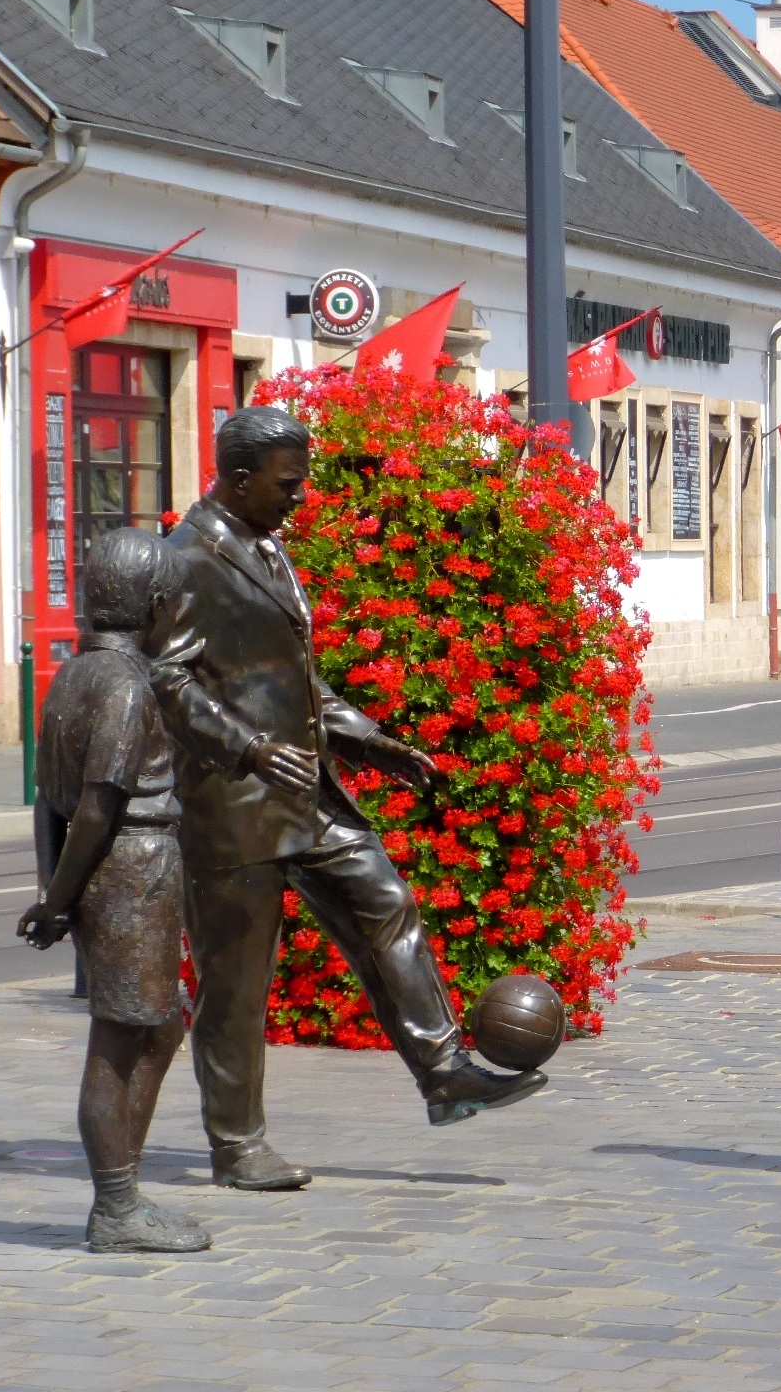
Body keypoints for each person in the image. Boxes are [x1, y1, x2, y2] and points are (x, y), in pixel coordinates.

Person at [151, 405, 542, 1193]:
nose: (300, 497)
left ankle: (444, 1075)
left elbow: (289, 682)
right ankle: (237, 1145)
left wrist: (373, 742)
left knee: (384, 900)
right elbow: (167, 679)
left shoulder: (269, 549)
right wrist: (249, 746)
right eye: (288, 483)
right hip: (232, 805)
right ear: (237, 478)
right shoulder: (187, 559)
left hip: (306, 794)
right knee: (235, 984)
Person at [18, 527, 209, 1253]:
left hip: (115, 870)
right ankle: (117, 1208)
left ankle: (122, 1190)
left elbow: (48, 803)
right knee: (120, 1038)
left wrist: (54, 885)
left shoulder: (70, 675)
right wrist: (58, 900)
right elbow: (95, 804)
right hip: (133, 868)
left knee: (158, 1025)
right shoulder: (128, 686)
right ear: (157, 605)